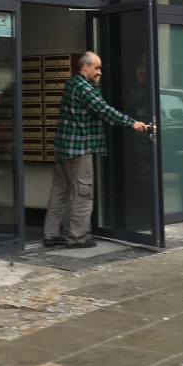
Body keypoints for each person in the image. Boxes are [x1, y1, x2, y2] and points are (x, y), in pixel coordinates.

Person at [43, 52, 150, 248]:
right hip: (79, 149)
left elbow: (94, 104)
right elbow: (103, 109)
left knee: (59, 192)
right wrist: (131, 122)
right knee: (83, 194)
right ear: (85, 67)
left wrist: (96, 84)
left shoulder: (72, 83)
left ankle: (50, 234)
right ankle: (76, 238)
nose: (100, 72)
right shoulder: (85, 87)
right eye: (97, 68)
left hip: (63, 148)